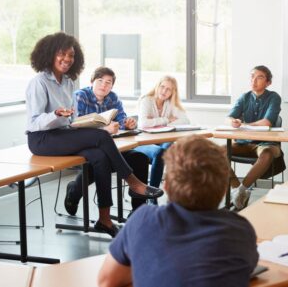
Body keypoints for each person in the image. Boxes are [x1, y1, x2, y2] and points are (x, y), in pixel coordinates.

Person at [25, 32, 162, 237]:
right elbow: (34, 122)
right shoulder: (39, 82)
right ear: (50, 54)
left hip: (63, 133)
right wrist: (55, 114)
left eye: (71, 55)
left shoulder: (69, 82)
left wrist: (76, 121)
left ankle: (104, 220)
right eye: (62, 54)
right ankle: (134, 183)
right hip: (41, 139)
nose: (67, 59)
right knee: (101, 137)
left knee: (99, 156)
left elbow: (70, 120)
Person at [98, 136, 258, 287]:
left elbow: (106, 281)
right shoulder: (241, 230)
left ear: (166, 186)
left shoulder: (142, 220)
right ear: (224, 189)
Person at [73, 66, 150, 212]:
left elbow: (121, 119)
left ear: (112, 86)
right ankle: (74, 190)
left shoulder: (113, 97)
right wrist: (103, 131)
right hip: (87, 149)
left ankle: (139, 211)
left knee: (140, 158)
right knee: (103, 160)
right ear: (92, 81)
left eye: (108, 82)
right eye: (100, 80)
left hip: (111, 148)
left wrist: (128, 124)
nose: (104, 85)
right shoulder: (80, 96)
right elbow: (76, 126)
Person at [226, 65, 281, 210]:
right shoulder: (244, 97)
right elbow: (229, 117)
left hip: (265, 143)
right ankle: (237, 189)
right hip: (244, 144)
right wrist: (233, 121)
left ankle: (241, 191)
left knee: (267, 154)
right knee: (216, 152)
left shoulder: (274, 97)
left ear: (268, 82)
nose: (254, 80)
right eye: (252, 76)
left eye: (259, 77)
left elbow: (267, 122)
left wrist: (245, 124)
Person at [135, 76, 189, 198]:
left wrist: (157, 121)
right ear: (157, 86)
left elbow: (185, 120)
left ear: (172, 93)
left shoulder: (170, 103)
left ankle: (157, 194)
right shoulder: (146, 100)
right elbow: (143, 123)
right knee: (161, 152)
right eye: (162, 87)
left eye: (168, 89)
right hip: (143, 142)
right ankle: (152, 195)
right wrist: (166, 120)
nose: (164, 91)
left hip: (162, 141)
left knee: (167, 146)